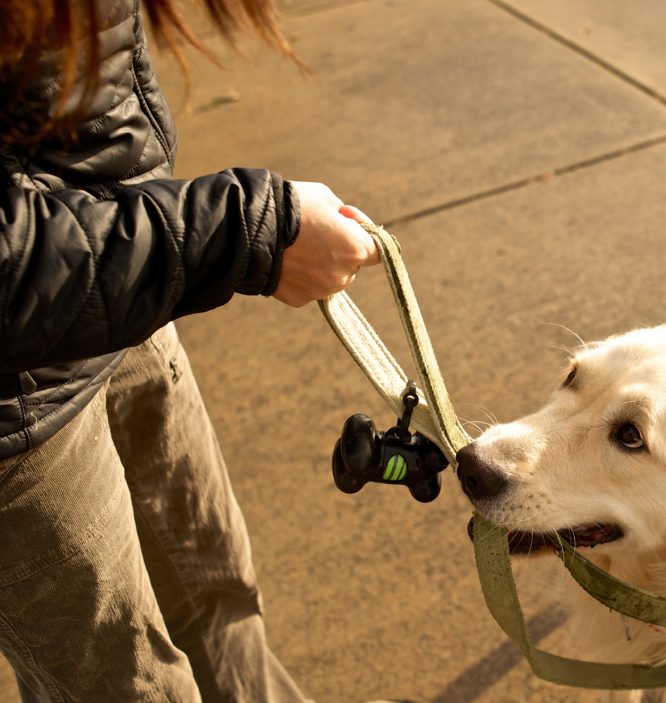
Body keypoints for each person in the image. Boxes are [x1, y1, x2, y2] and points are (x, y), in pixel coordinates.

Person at [0, 0, 382, 700]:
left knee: (217, 596)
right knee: (126, 681)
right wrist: (246, 234)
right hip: (17, 410)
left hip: (123, 280)